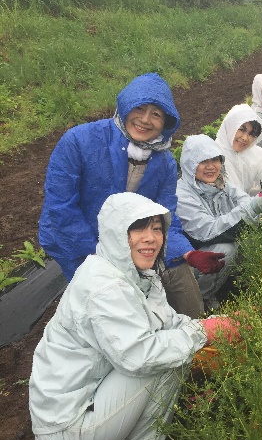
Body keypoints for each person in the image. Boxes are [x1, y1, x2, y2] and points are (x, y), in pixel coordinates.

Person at [29, 192, 242, 440]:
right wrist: (204, 331)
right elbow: (140, 356)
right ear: (117, 232)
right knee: (165, 358)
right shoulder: (103, 286)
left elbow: (168, 322)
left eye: (156, 228)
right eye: (138, 228)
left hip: (89, 400)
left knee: (176, 344)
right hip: (69, 430)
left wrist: (224, 323)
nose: (150, 237)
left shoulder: (138, 275)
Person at [38, 73, 225, 318]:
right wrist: (105, 257)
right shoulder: (80, 141)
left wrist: (188, 253)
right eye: (139, 108)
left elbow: (164, 214)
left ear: (166, 122)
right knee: (106, 304)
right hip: (75, 241)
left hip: (129, 240)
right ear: (125, 106)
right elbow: (61, 210)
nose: (145, 120)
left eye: (156, 114)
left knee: (177, 272)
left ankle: (198, 333)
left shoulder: (164, 162)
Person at [177, 134, 262, 305]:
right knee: (224, 250)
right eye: (203, 162)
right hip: (192, 259)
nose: (211, 167)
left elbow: (243, 201)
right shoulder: (182, 193)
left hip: (217, 238)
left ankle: (240, 281)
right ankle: (203, 297)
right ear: (190, 165)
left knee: (256, 236)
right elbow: (207, 231)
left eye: (215, 160)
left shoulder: (221, 183)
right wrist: (250, 209)